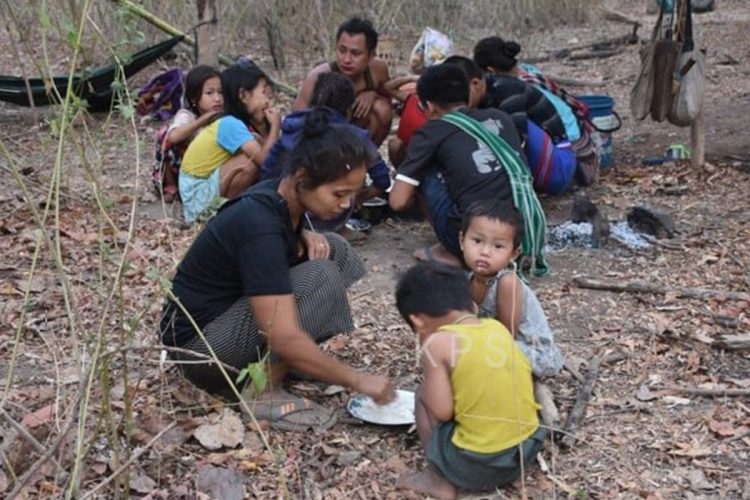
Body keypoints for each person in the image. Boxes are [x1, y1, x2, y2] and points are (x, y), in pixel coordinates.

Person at [160, 108, 395, 431]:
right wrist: (358, 380)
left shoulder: (280, 198)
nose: (346, 204)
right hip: (200, 351)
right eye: (338, 194)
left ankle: (285, 364)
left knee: (333, 249)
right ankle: (264, 392)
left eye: (352, 194)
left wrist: (303, 234)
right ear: (301, 180)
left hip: (224, 323)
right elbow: (281, 334)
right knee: (321, 275)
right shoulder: (258, 223)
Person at [394, 263, 546, 499]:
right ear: (472, 306)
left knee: (422, 395)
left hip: (479, 467)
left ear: (418, 322)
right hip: (524, 454)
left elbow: (443, 412)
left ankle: (438, 480)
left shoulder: (437, 344)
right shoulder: (498, 328)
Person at [388, 64, 549, 276]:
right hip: (519, 231)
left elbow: (397, 202)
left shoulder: (432, 131)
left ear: (429, 106)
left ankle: (452, 250)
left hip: (474, 236)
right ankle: (501, 250)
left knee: (423, 169)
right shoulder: (500, 117)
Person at [261, 72, 390, 217]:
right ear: (349, 108)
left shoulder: (292, 124)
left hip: (276, 207)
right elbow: (382, 180)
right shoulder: (354, 137)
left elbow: (268, 170)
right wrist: (357, 199)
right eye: (340, 194)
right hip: (320, 218)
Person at [460, 200, 563, 377]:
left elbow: (506, 336)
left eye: (498, 246)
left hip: (532, 351)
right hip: (496, 347)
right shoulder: (467, 279)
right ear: (462, 241)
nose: (485, 252)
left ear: (513, 254)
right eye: (477, 241)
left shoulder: (507, 282)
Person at [473, 38, 582, 193]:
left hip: (560, 166)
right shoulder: (528, 73)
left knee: (501, 126)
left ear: (489, 71)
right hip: (568, 148)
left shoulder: (507, 90)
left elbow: (518, 142)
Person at [179, 63, 281, 224]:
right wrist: (275, 126)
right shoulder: (230, 124)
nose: (268, 101)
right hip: (196, 198)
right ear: (243, 95)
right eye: (263, 93)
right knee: (248, 163)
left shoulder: (233, 123)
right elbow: (265, 161)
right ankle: (224, 216)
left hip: (200, 190)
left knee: (255, 148)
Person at [293, 17, 392, 146]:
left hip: (359, 137)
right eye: (342, 50)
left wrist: (373, 95)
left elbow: (390, 103)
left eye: (355, 53)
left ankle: (368, 160)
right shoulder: (318, 76)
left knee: (382, 109)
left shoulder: (378, 70)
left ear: (371, 54)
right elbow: (295, 123)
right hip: (320, 142)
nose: (346, 59)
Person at [154, 65, 223, 203]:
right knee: (165, 134)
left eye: (220, 92)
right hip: (184, 170)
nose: (217, 98)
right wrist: (204, 119)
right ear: (194, 98)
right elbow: (173, 137)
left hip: (209, 170)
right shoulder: (187, 116)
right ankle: (171, 185)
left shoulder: (225, 118)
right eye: (209, 93)